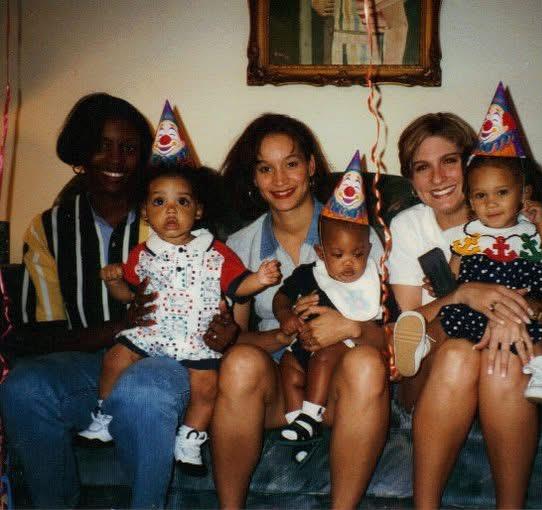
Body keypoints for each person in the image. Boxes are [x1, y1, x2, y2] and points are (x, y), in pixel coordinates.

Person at [0, 93, 237, 508]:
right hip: (86, 362)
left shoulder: (175, 223)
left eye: (128, 148)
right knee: (23, 387)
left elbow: (224, 301)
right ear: (80, 152)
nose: (115, 158)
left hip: (165, 362)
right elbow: (35, 337)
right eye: (102, 144)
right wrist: (118, 329)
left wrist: (227, 329)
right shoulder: (49, 228)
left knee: (143, 394)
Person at [386, 85, 542, 509]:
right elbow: (413, 323)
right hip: (432, 367)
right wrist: (464, 293)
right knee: (458, 354)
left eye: (449, 162)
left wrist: (520, 311)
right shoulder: (410, 227)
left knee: (500, 361)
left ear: (472, 165)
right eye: (421, 167)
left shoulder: (522, 225)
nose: (439, 178)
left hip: (510, 357)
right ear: (410, 179)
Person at [212, 113, 389, 509]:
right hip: (279, 384)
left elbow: (393, 337)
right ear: (253, 178)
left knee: (366, 364)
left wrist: (350, 326)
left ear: (310, 167)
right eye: (265, 168)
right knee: (239, 362)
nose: (279, 180)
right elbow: (235, 341)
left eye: (291, 163)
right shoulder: (239, 246)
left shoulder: (357, 235)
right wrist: (282, 332)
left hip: (343, 383)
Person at [78, 164, 281, 473]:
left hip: (196, 339)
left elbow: (238, 285)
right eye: (159, 202)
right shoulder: (142, 253)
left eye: (182, 202)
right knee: (115, 358)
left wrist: (261, 279)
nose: (171, 210)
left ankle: (189, 438)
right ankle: (105, 414)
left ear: (198, 210)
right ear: (145, 211)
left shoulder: (216, 252)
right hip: (152, 333)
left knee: (208, 387)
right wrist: (114, 281)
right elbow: (130, 297)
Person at [393, 152, 542, 404]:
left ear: (524, 194)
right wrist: (441, 284)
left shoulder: (534, 235)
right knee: (450, 317)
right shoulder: (470, 237)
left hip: (519, 310)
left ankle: (541, 372)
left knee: (530, 334)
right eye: (481, 196)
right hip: (474, 310)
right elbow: (453, 276)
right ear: (471, 200)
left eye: (501, 193)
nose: (491, 203)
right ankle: (423, 345)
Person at [273, 152, 383, 462]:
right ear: (321, 252)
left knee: (323, 356)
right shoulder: (309, 273)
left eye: (358, 254)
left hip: (343, 351)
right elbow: (281, 297)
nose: (349, 263)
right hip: (302, 347)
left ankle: (310, 415)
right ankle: (299, 423)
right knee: (288, 368)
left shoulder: (377, 283)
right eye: (338, 254)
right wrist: (285, 315)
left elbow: (387, 327)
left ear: (369, 250)